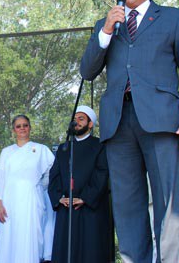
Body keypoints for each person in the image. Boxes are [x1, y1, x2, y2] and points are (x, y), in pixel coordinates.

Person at [80, 0, 179, 263]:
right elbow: (87, 71)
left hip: (163, 122)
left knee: (168, 202)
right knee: (127, 204)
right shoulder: (106, 25)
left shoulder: (173, 19)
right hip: (118, 125)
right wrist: (107, 30)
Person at [48, 106, 110, 263]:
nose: (76, 122)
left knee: (90, 251)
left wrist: (85, 198)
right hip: (66, 209)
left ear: (90, 124)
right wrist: (59, 198)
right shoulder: (64, 148)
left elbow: (102, 173)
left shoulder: (100, 145)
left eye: (81, 119)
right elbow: (54, 176)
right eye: (75, 119)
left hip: (90, 209)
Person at [0, 115, 55, 262]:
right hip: (9, 200)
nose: (22, 128)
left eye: (25, 125)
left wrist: (39, 187)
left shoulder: (41, 149)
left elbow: (52, 172)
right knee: (10, 236)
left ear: (29, 127)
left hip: (31, 199)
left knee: (30, 235)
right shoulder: (6, 152)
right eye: (18, 126)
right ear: (13, 130)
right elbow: (1, 178)